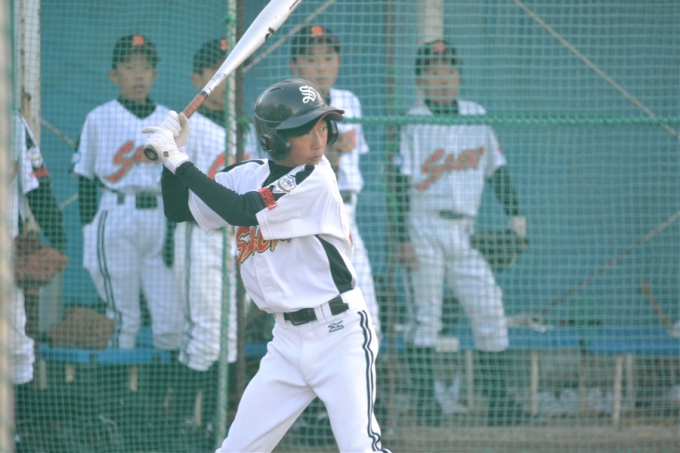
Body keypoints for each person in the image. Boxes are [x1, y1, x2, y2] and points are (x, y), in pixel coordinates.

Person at [144, 78, 390, 453]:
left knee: (361, 448)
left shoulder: (316, 177)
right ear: (273, 138)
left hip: (339, 334)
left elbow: (242, 210)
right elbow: (179, 210)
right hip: (286, 342)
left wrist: (178, 160)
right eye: (304, 130)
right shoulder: (248, 174)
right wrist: (170, 158)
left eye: (323, 126)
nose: (319, 140)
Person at [396, 39, 530, 427]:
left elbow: (497, 170)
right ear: (421, 80)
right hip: (423, 225)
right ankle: (427, 405)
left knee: (490, 306)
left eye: (450, 71)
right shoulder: (413, 119)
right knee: (427, 317)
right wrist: (401, 237)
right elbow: (397, 181)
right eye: (434, 72)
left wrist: (516, 216)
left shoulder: (476, 115)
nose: (444, 79)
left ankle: (499, 404)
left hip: (465, 230)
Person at [72, 34, 183, 446]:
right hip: (114, 212)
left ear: (154, 74)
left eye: (145, 67)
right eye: (129, 66)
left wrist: (172, 229)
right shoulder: (99, 117)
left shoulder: (167, 122)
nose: (138, 74)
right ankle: (112, 415)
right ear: (113, 74)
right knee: (125, 318)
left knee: (169, 322)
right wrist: (89, 229)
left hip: (157, 217)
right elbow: (84, 179)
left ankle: (152, 416)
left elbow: (177, 178)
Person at [170, 37, 258, 451]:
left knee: (230, 335)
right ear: (200, 80)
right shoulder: (186, 127)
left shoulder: (249, 128)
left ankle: (213, 425)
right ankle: (182, 426)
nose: (226, 83)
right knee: (206, 334)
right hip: (201, 235)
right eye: (217, 74)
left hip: (239, 238)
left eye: (232, 74)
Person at [288, 25, 380, 336]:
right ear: (294, 65)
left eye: (328, 58)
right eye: (311, 59)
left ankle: (366, 364)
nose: (321, 67)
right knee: (316, 305)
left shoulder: (348, 101)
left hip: (346, 211)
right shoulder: (285, 106)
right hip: (308, 215)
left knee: (364, 301)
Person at [11, 112, 67, 452]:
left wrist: (57, 239)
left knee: (17, 346)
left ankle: (16, 433)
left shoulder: (13, 122)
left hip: (6, 254)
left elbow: (39, 185)